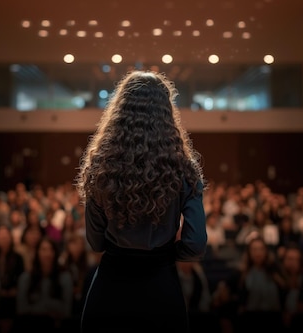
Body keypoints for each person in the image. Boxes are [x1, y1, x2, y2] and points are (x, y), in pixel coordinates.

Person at [76, 71, 207, 333]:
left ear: (120, 111)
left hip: (111, 287)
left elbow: (95, 242)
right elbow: (195, 244)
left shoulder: (101, 166)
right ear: (167, 114)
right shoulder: (183, 169)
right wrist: (166, 254)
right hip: (161, 287)